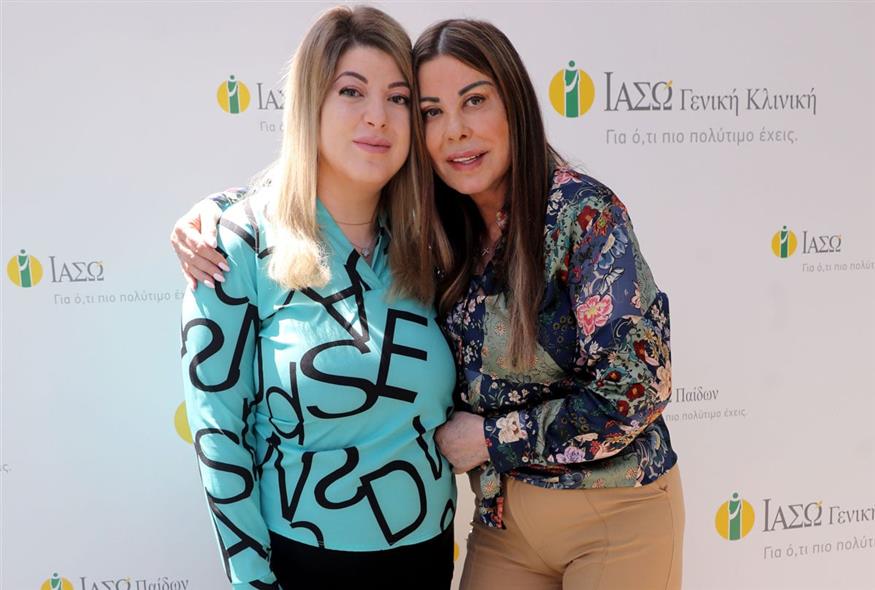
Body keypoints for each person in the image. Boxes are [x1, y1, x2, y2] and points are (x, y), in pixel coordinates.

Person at [174, 15, 684, 590]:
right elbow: (219, 433)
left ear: (513, 104)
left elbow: (635, 387)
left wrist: (489, 438)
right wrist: (215, 209)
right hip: (420, 539)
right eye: (430, 111)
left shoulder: (507, 224)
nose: (453, 130)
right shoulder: (259, 243)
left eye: (399, 99)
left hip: (562, 521)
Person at [178, 6, 457, 590]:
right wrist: (253, 581)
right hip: (300, 566)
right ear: (310, 105)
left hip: (427, 561)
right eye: (351, 91)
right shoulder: (239, 243)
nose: (377, 116)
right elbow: (218, 434)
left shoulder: (432, 241)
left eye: (399, 98)